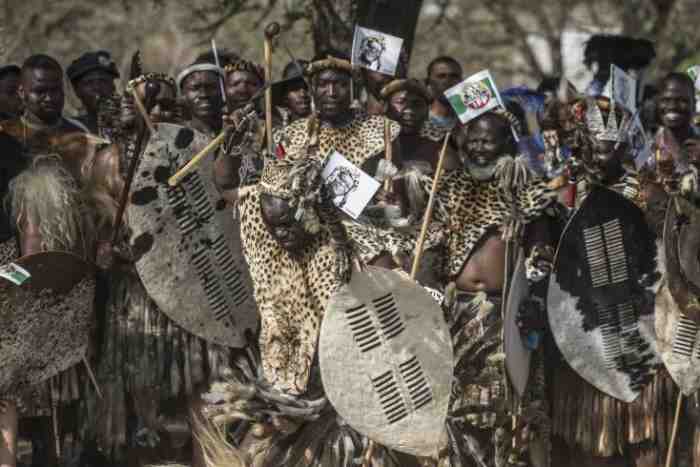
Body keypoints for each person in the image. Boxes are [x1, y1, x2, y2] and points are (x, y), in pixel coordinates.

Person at [429, 109, 556, 466]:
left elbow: (541, 252)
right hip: (458, 315)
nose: (479, 147)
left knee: (507, 411)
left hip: (506, 315)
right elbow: (432, 250)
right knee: (459, 410)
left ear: (506, 143)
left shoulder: (526, 189)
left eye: (488, 140)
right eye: (473, 140)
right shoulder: (451, 186)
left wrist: (534, 299)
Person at [67, 50, 120, 134]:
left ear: (113, 87)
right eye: (89, 82)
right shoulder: (69, 130)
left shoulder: (134, 124)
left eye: (103, 81)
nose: (97, 87)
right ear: (77, 91)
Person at [177, 58, 225, 137]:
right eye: (195, 88)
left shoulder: (237, 131)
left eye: (211, 87)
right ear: (183, 95)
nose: (204, 94)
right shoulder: (174, 136)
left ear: (223, 91)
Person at [425, 56, 462, 130]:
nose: (448, 81)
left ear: (461, 81)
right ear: (429, 82)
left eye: (454, 76)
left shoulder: (468, 123)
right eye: (441, 76)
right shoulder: (419, 120)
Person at [271, 59, 311, 124]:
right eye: (295, 89)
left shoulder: (328, 129)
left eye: (307, 88)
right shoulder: (278, 132)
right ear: (285, 96)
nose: (302, 94)